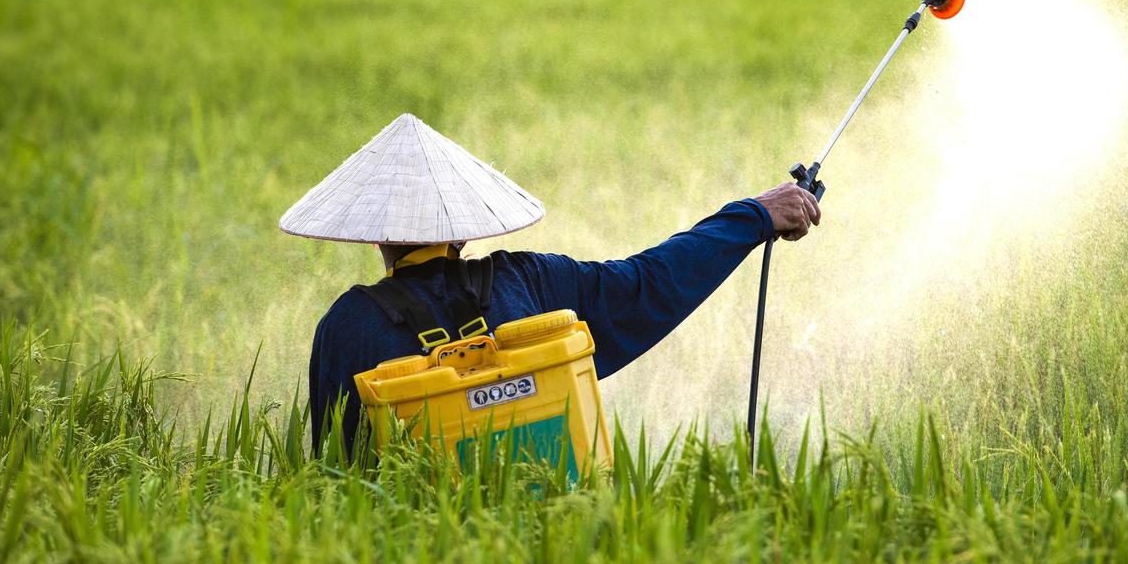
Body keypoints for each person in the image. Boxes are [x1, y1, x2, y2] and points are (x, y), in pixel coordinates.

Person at [283, 114, 821, 455]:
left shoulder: (345, 327)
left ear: (375, 239)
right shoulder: (532, 281)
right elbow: (651, 284)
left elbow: (336, 479)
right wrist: (752, 216)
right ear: (465, 231)